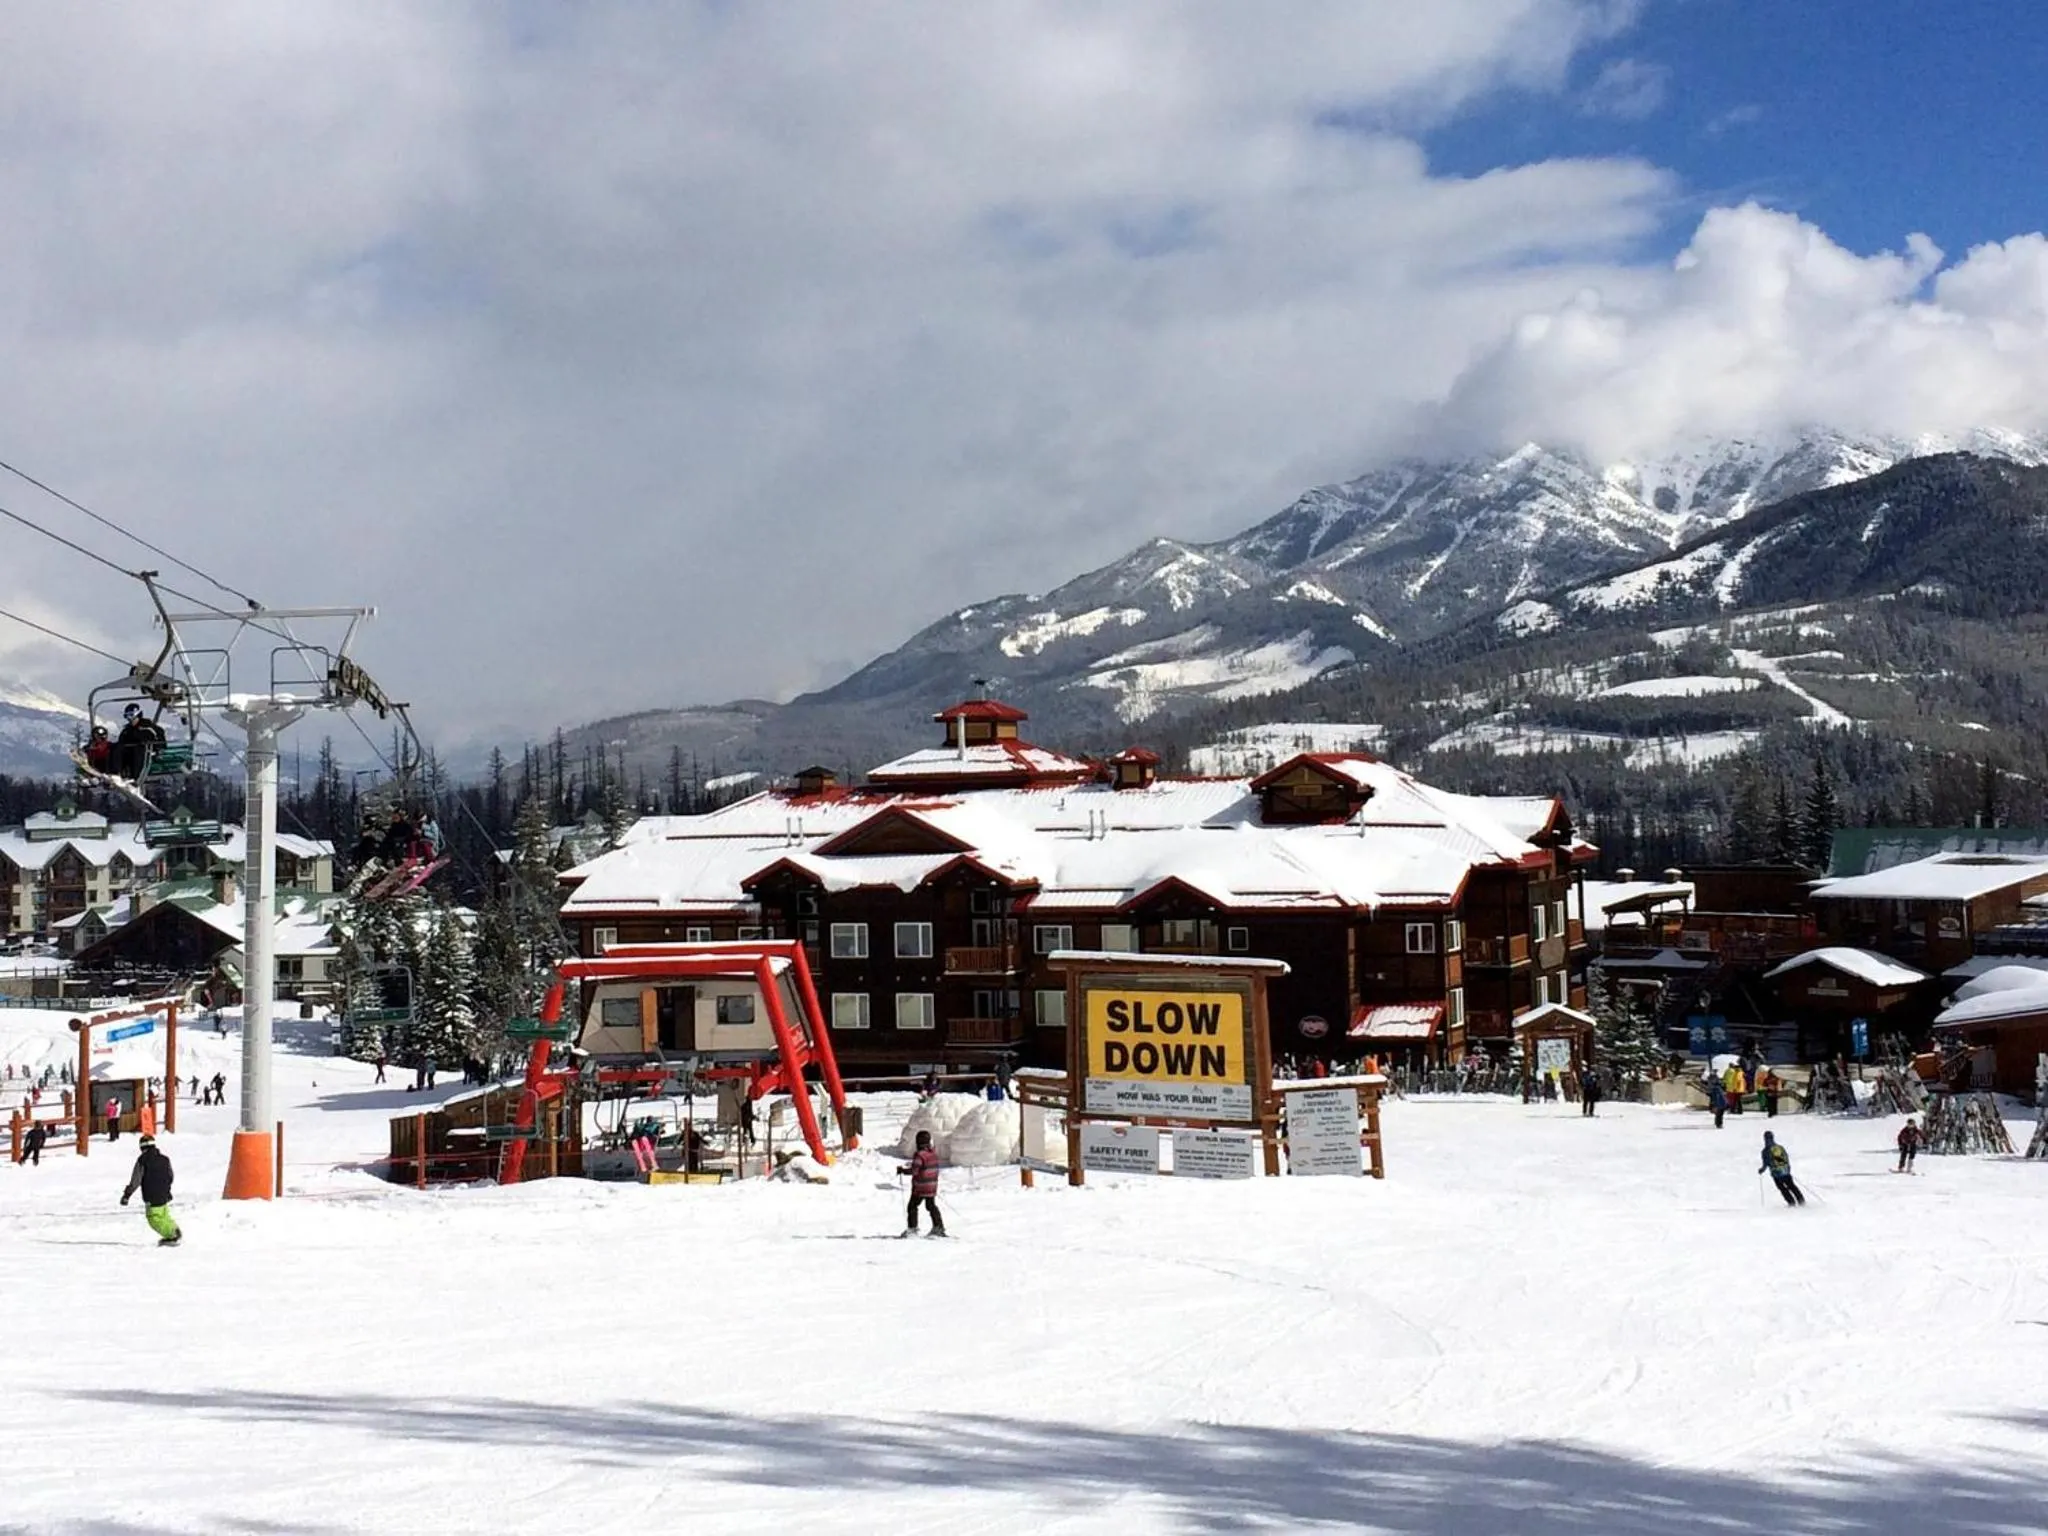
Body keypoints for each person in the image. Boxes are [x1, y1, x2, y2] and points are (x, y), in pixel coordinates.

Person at [120, 1134, 181, 1246]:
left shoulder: (142, 1161)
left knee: (154, 1218)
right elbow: (170, 1176)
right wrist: (167, 1189)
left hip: (151, 1195)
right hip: (164, 1193)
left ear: (142, 1147)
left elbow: (136, 1180)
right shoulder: (165, 1159)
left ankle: (173, 1235)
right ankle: (174, 1230)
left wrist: (127, 1195)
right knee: (164, 1215)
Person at [898, 1129, 946, 1237]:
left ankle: (912, 1229)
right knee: (931, 1206)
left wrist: (903, 1170)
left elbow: (914, 1171)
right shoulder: (933, 1154)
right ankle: (939, 1227)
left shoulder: (919, 1155)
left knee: (912, 1206)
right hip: (932, 1186)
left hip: (920, 1187)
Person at [1760, 1130, 1805, 1207]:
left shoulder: (1765, 1151)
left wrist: (1761, 1170)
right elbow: (1786, 1158)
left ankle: (1791, 1202)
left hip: (1776, 1174)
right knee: (1792, 1186)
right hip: (1785, 1172)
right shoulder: (1780, 1147)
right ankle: (1801, 1201)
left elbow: (1766, 1163)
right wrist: (1788, 1168)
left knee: (1783, 1189)